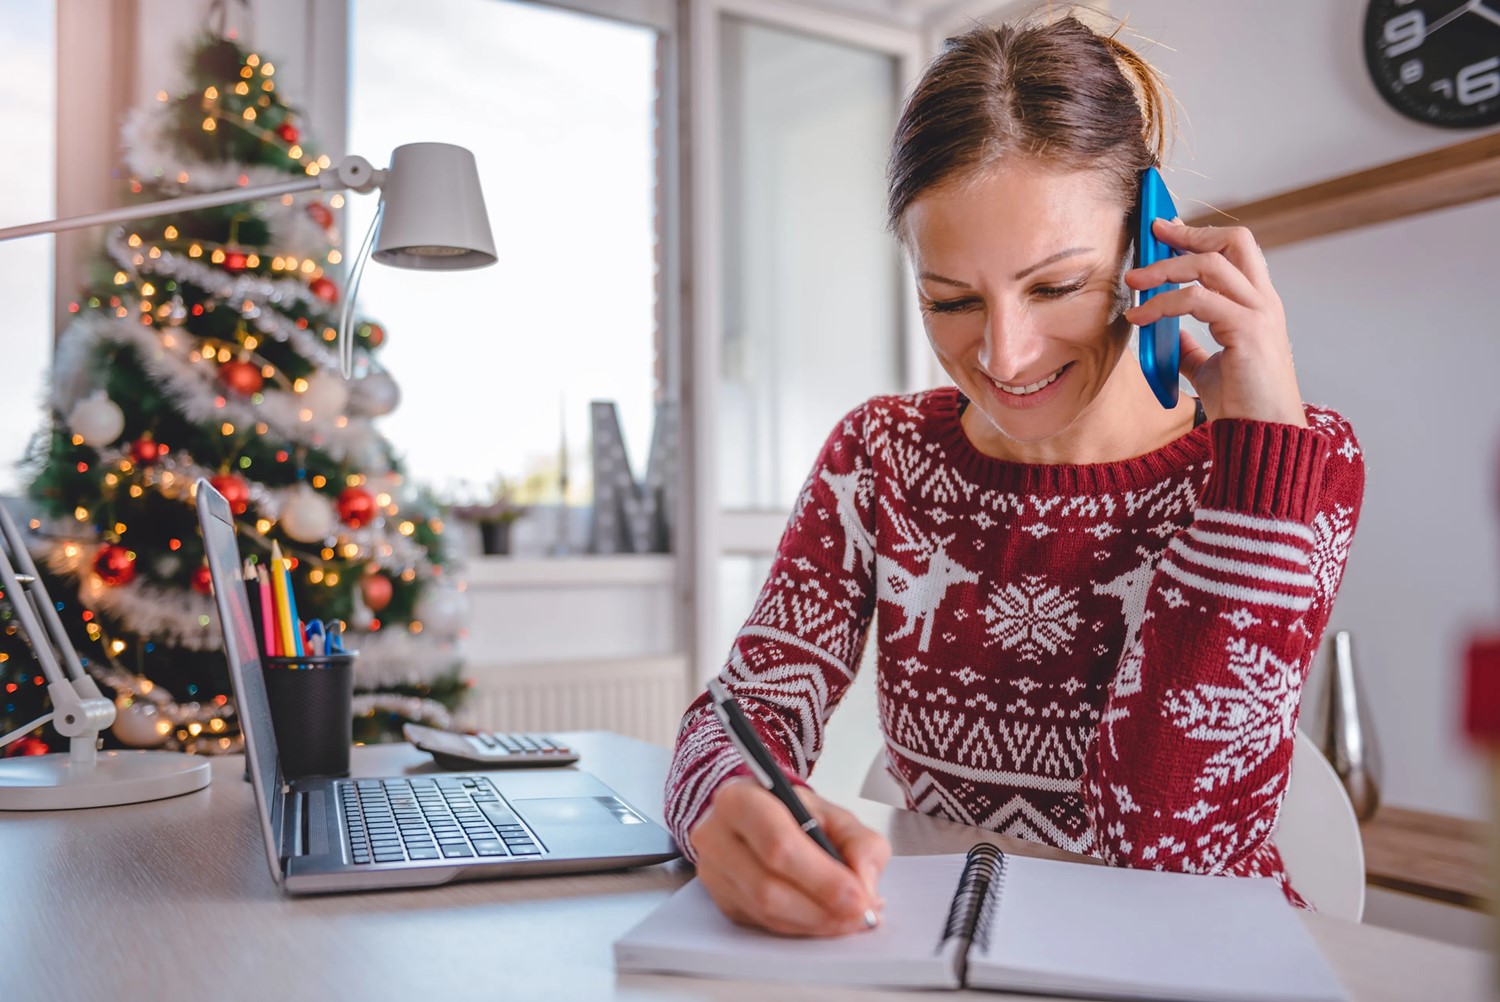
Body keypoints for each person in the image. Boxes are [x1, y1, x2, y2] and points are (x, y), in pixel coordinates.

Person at [664, 12, 1365, 938]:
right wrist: (724, 802)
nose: (1004, 354)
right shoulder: (881, 455)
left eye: (1055, 286)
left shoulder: (1288, 472)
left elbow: (1164, 850)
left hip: (1194, 961)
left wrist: (1258, 461)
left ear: (1150, 248)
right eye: (950, 300)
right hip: (939, 958)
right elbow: (746, 710)